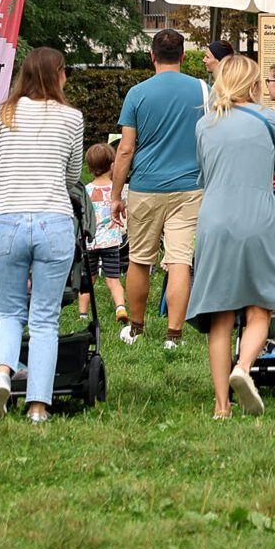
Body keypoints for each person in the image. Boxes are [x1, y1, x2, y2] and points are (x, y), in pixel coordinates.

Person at [185, 54, 275, 419]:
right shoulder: (270, 118)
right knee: (261, 306)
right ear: (254, 84)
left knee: (220, 315)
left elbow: (205, 173)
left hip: (214, 220)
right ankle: (243, 368)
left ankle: (221, 405)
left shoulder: (205, 124)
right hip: (259, 216)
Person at [0, 47, 84, 422]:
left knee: (8, 312)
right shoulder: (72, 118)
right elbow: (72, 176)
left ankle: (2, 373)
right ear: (57, 75)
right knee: (44, 320)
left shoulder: (1, 115)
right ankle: (38, 406)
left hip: (7, 220)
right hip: (54, 221)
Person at [113, 28, 208, 349]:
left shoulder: (137, 93)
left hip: (146, 186)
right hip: (191, 187)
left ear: (152, 56)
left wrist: (115, 195)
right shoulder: (203, 90)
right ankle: (174, 336)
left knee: (140, 259)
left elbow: (125, 149)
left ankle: (137, 330)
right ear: (183, 56)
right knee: (180, 259)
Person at [80, 141, 127, 322]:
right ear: (112, 165)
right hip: (112, 242)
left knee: (88, 280)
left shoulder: (85, 191)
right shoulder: (117, 190)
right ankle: (120, 308)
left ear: (90, 168)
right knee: (113, 279)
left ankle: (83, 315)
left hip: (90, 243)